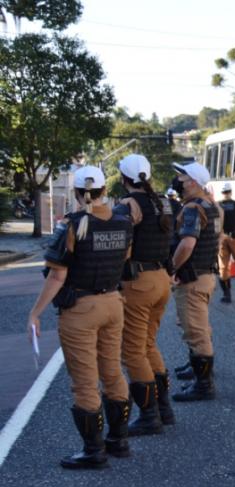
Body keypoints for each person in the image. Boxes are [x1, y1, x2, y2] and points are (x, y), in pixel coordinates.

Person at [27, 165, 133, 469]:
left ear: (76, 192)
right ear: (104, 191)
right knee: (113, 371)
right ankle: (119, 440)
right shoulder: (123, 223)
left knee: (85, 382)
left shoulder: (72, 225)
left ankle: (93, 451)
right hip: (114, 303)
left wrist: (35, 313)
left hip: (81, 309)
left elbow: (57, 276)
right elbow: (123, 259)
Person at [114, 154, 176, 435]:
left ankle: (149, 415)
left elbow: (121, 244)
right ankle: (164, 408)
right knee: (149, 345)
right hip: (162, 278)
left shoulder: (128, 205)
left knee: (132, 351)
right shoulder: (162, 201)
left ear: (124, 178)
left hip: (138, 282)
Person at [169, 161, 220, 402]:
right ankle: (197, 370)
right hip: (206, 274)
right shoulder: (211, 206)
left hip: (194, 278)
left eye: (181, 176)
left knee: (195, 331)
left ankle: (204, 385)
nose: (178, 180)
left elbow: (187, 243)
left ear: (192, 182)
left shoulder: (193, 209)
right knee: (197, 327)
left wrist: (172, 267)